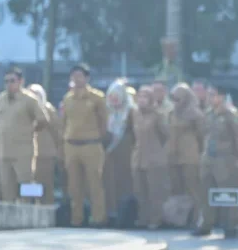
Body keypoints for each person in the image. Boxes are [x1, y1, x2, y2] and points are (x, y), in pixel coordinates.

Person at [61, 64, 109, 226]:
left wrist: (97, 137)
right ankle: (77, 218)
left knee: (94, 184)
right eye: (74, 76)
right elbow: (64, 121)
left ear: (87, 78)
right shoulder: (67, 98)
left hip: (91, 145)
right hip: (71, 146)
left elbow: (104, 122)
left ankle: (98, 218)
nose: (76, 79)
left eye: (80, 76)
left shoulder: (97, 97)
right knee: (74, 186)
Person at [195, 83, 238, 238]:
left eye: (213, 94)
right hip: (208, 157)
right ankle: (206, 223)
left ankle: (231, 224)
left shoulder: (230, 114)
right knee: (206, 191)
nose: (209, 98)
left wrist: (236, 158)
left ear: (221, 97)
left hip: (225, 158)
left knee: (227, 192)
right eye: (208, 94)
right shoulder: (208, 113)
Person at [0, 67, 47, 202]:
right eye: (6, 81)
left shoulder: (29, 99)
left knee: (26, 183)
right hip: (5, 151)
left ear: (21, 81)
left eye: (12, 81)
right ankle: (9, 217)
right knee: (6, 185)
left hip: (24, 151)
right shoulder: (0, 99)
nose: (9, 84)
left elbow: (43, 119)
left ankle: (32, 210)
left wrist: (29, 131)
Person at [130, 89, 169, 229]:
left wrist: (158, 150)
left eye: (145, 97)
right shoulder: (135, 114)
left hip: (154, 159)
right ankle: (143, 218)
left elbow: (165, 135)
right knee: (140, 190)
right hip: (138, 157)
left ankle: (155, 219)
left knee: (155, 191)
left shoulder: (158, 115)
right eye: (139, 96)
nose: (141, 99)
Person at [168, 84, 205, 228]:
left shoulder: (195, 114)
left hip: (190, 156)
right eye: (173, 98)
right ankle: (179, 219)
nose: (175, 100)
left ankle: (196, 218)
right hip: (173, 156)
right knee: (177, 188)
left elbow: (202, 136)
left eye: (178, 97)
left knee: (192, 188)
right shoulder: (171, 113)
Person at [103, 80, 136, 220]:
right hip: (109, 154)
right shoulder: (105, 111)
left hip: (126, 151)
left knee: (125, 182)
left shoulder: (131, 111)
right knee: (110, 182)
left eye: (117, 95)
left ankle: (126, 213)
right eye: (111, 96)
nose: (114, 99)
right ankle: (110, 211)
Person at [28, 84, 63, 205]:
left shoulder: (48, 109)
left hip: (45, 154)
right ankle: (33, 207)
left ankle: (47, 208)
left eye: (36, 94)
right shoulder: (26, 110)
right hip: (28, 153)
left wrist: (59, 150)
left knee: (45, 184)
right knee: (30, 183)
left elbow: (57, 131)